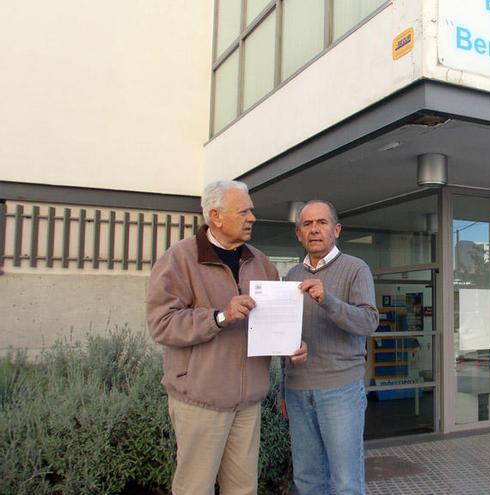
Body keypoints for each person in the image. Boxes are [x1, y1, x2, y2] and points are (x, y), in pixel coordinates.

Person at [147, 180, 307, 495]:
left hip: (248, 402)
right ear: (216, 216)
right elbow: (161, 324)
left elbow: (270, 323)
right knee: (195, 488)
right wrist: (219, 317)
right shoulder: (179, 258)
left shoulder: (260, 262)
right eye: (244, 211)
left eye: (252, 211)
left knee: (244, 489)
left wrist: (290, 346)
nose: (252, 218)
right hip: (200, 400)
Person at [284, 200, 379, 495]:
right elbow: (283, 335)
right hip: (298, 391)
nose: (314, 230)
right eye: (307, 224)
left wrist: (329, 300)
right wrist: (282, 383)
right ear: (299, 234)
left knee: (345, 482)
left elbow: (368, 322)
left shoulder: (355, 269)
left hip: (340, 390)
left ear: (336, 230)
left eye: (321, 223)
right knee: (307, 480)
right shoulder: (291, 277)